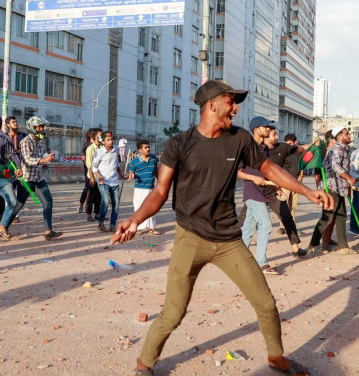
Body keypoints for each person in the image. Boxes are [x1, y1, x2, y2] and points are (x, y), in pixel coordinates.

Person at [110, 80, 333, 376]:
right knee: (173, 313)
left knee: (265, 303)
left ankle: (276, 358)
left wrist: (306, 192)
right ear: (212, 104)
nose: (235, 107)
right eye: (231, 101)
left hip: (229, 240)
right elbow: (159, 192)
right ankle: (144, 364)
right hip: (190, 238)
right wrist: (135, 219)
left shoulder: (239, 138)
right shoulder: (179, 143)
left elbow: (269, 170)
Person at [237, 117, 282, 274]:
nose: (269, 129)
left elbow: (266, 170)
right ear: (256, 129)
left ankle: (239, 260)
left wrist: (276, 187)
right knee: (266, 225)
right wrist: (254, 178)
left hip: (261, 192)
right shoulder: (246, 147)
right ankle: (261, 263)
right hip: (251, 192)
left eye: (269, 127)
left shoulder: (264, 148)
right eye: (266, 126)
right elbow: (237, 172)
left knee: (248, 229)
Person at [307, 126, 356, 255]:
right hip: (331, 187)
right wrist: (349, 178)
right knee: (327, 217)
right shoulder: (338, 148)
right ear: (339, 136)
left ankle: (343, 246)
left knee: (341, 216)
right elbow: (335, 166)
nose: (349, 136)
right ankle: (312, 245)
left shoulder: (342, 149)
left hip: (338, 187)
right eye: (347, 134)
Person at [19, 116, 63, 240]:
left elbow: (39, 157)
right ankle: (3, 225)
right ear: (32, 128)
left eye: (42, 127)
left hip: (38, 178)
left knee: (48, 201)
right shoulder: (26, 141)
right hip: (27, 178)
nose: (41, 129)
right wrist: (43, 160)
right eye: (39, 127)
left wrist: (45, 161)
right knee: (18, 205)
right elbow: (27, 159)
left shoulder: (40, 140)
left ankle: (48, 231)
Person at [265, 129, 307, 256]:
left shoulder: (282, 149)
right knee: (247, 221)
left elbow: (301, 151)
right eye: (274, 135)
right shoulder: (256, 150)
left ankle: (296, 249)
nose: (277, 137)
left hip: (274, 189)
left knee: (287, 216)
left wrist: (315, 145)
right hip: (256, 191)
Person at [91, 131, 124, 232]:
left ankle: (112, 225)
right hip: (103, 181)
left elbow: (116, 163)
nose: (110, 142)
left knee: (116, 204)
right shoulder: (99, 152)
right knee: (105, 202)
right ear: (103, 141)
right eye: (108, 140)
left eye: (111, 139)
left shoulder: (116, 150)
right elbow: (93, 166)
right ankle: (100, 223)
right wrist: (99, 177)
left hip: (114, 181)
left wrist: (120, 173)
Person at [128, 139, 160, 235]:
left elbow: (156, 170)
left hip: (151, 187)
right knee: (138, 208)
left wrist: (160, 181)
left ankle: (152, 228)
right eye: (145, 147)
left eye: (148, 147)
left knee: (153, 208)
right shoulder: (134, 162)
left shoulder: (153, 158)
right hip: (139, 188)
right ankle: (137, 228)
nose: (148, 149)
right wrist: (131, 176)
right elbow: (131, 173)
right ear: (140, 150)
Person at [85, 128, 103, 222]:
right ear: (95, 136)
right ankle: (88, 214)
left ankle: (97, 214)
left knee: (99, 197)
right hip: (93, 176)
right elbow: (89, 164)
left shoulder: (102, 147)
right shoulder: (90, 149)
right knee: (91, 196)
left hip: (101, 176)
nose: (101, 137)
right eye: (100, 135)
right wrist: (92, 177)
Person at [78, 128, 95, 213]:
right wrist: (89, 168)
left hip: (97, 170)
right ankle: (81, 205)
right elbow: (83, 158)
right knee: (87, 187)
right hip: (89, 169)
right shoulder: (87, 145)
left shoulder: (99, 145)